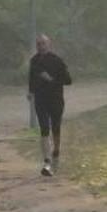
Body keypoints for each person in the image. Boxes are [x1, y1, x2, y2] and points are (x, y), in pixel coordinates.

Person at [28, 34, 73, 176]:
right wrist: (30, 92)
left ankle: (56, 152)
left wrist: (51, 80)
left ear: (49, 44)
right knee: (44, 128)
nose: (40, 46)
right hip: (41, 100)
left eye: (43, 44)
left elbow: (68, 80)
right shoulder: (34, 61)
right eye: (38, 44)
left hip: (56, 99)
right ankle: (46, 161)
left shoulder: (57, 61)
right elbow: (31, 77)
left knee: (55, 127)